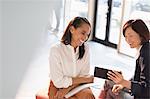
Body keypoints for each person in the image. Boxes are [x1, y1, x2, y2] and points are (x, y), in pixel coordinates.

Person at [48, 17, 95, 99]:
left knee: (88, 96)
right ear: (72, 29)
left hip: (78, 84)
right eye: (83, 33)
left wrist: (68, 88)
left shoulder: (86, 49)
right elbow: (59, 82)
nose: (85, 38)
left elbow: (84, 74)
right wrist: (85, 79)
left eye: (87, 35)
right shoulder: (56, 50)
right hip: (58, 86)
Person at [107, 19, 150, 99]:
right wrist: (122, 85)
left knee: (109, 87)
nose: (127, 40)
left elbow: (147, 89)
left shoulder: (145, 55)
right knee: (110, 83)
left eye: (131, 36)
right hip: (138, 92)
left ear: (141, 34)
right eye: (126, 37)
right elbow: (139, 78)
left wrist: (123, 82)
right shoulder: (144, 49)